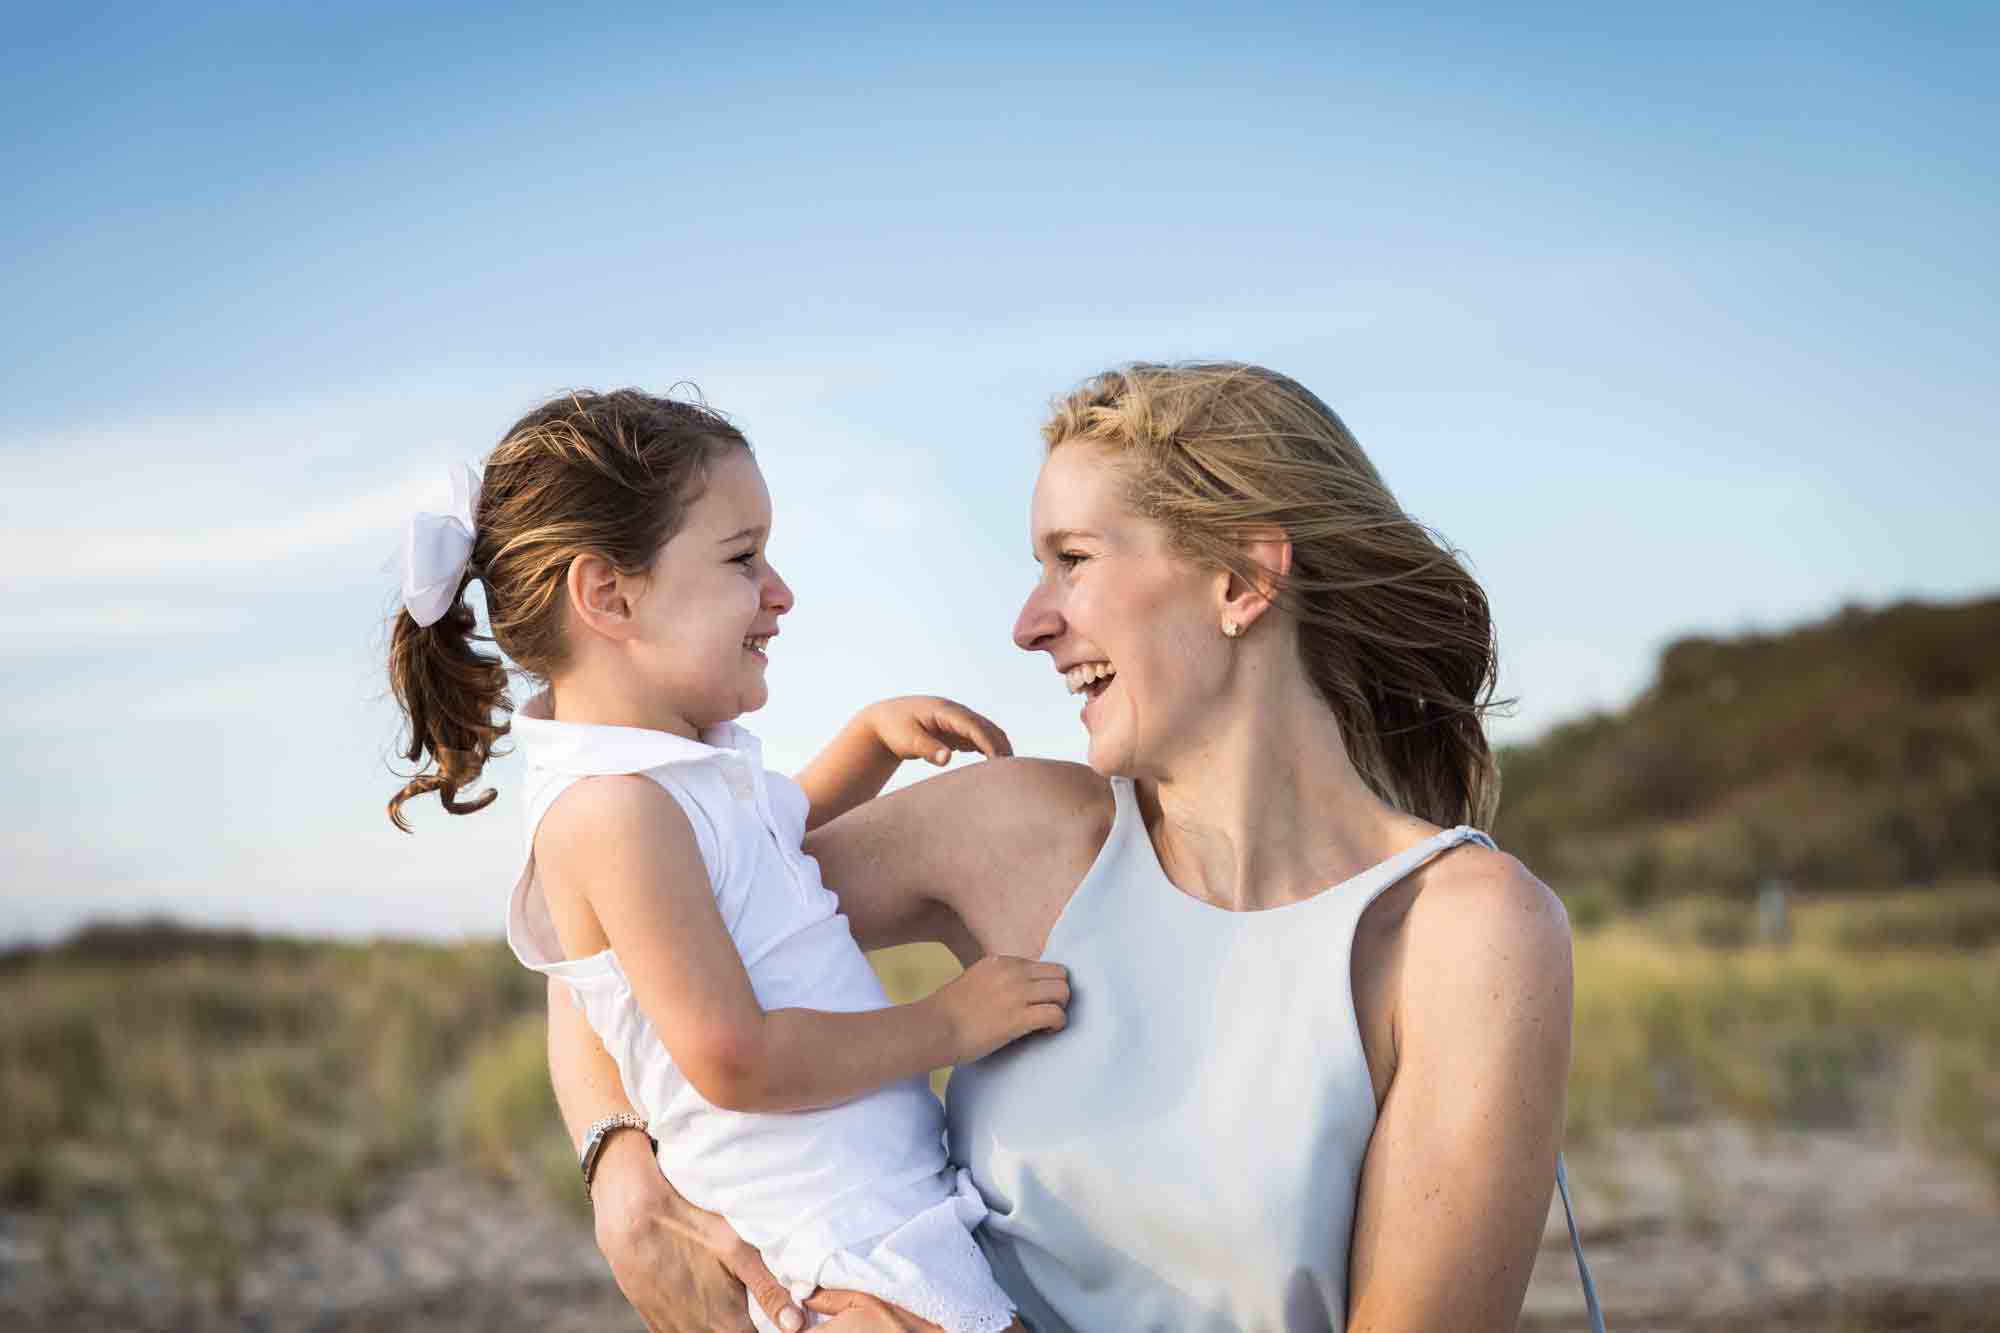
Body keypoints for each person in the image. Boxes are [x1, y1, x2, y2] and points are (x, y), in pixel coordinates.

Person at [556, 363, 1603, 1332]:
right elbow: (619, 933)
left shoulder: (1464, 933)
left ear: (1241, 580)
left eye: (1072, 561)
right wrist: (620, 1170)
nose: (1027, 623)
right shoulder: (1013, 829)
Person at [385, 388, 1076, 1333]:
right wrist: (946, 1023)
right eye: (742, 558)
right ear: (610, 595)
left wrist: (868, 741)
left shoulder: (673, 775)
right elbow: (733, 1057)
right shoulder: (612, 812)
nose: (780, 591)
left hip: (875, 1221)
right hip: (834, 1258)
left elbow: (765, 835)